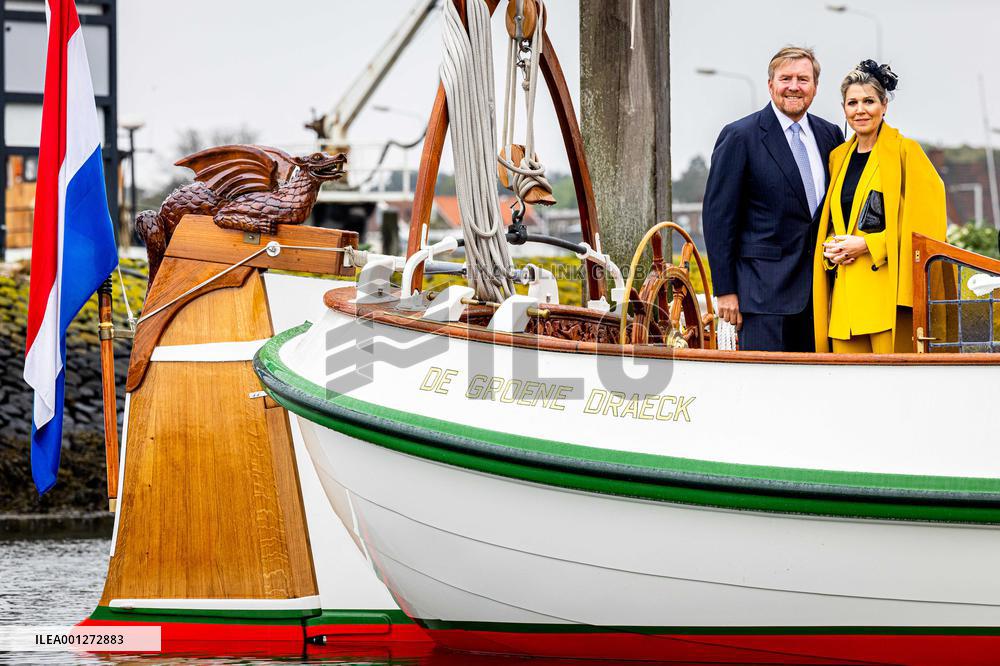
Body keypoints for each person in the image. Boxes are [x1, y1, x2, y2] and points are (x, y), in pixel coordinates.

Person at [703, 46, 845, 352]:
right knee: (766, 391)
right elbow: (718, 219)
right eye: (786, 78)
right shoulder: (740, 136)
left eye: (803, 79)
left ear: (815, 88)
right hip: (762, 298)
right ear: (771, 84)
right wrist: (725, 290)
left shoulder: (830, 135)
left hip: (822, 296)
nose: (794, 86)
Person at [812, 61, 946, 354]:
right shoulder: (838, 157)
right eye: (853, 102)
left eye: (869, 101)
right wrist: (832, 247)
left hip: (886, 302)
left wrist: (868, 244)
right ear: (844, 109)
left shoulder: (906, 152)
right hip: (844, 307)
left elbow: (927, 230)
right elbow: (836, 220)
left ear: (884, 105)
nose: (860, 109)